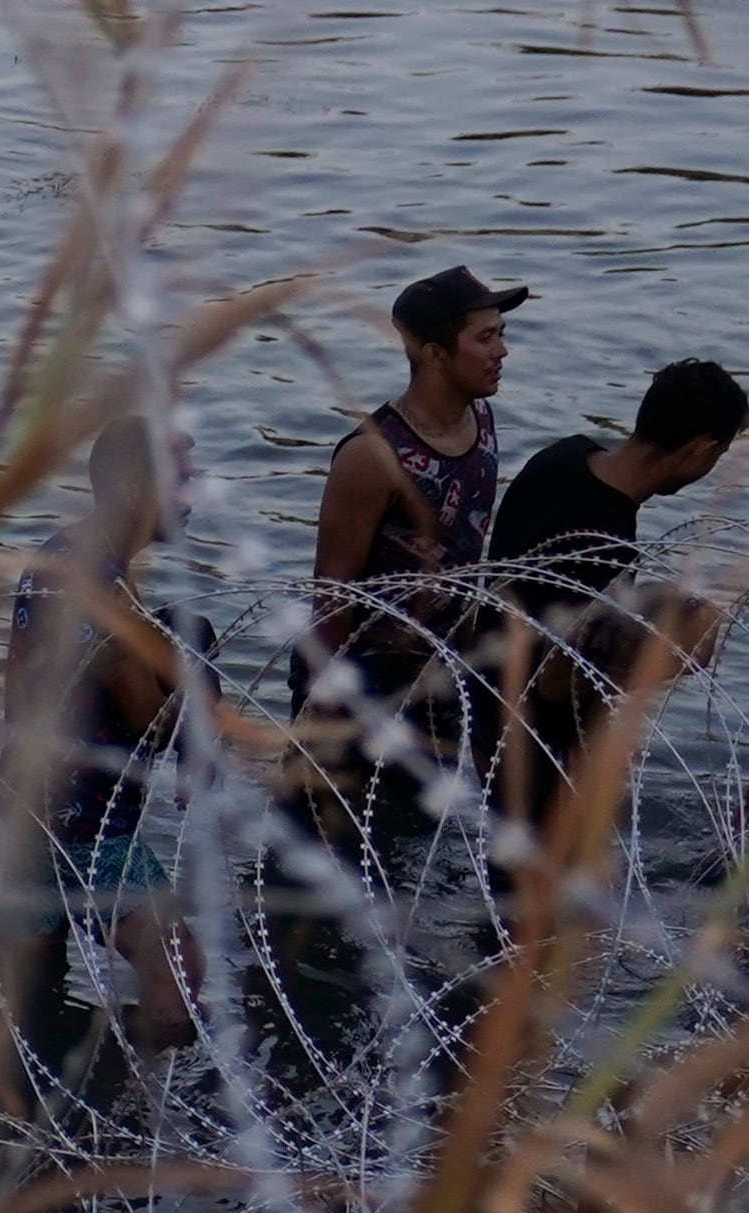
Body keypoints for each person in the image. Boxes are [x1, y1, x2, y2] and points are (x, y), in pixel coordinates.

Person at [0, 415, 205, 1119]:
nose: (191, 495)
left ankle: (30, 1129)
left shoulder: (63, 559)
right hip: (88, 836)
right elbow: (153, 717)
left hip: (30, 822)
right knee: (179, 977)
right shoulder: (105, 594)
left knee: (24, 1006)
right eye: (179, 479)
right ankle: (126, 1123)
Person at [300, 263, 521, 877]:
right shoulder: (374, 455)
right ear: (432, 353)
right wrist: (323, 712)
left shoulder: (483, 420)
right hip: (359, 685)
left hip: (436, 681)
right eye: (485, 338)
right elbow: (331, 592)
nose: (501, 352)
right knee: (319, 863)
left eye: (501, 334)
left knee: (407, 860)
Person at [487, 355, 740, 865]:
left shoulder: (562, 459)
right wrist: (653, 660)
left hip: (485, 690)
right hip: (531, 739)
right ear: (700, 450)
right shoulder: (605, 544)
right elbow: (557, 680)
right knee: (539, 905)